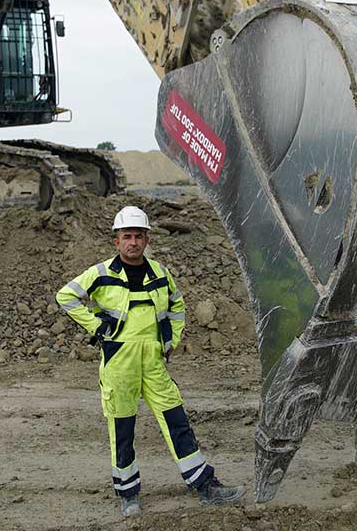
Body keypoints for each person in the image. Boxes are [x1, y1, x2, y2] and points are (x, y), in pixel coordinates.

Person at [55, 205, 244, 517]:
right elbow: (66, 296)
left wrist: (171, 341)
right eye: (127, 236)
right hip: (120, 362)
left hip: (154, 362)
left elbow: (178, 305)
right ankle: (128, 493)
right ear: (116, 241)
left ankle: (205, 486)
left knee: (177, 422)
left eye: (139, 236)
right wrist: (98, 328)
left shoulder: (160, 273)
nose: (133, 242)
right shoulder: (101, 274)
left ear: (146, 240)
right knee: (123, 429)